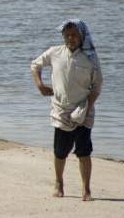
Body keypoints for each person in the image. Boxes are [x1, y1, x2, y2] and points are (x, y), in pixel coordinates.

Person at [31, 19, 103, 201]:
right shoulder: (55, 52)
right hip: (61, 110)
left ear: (82, 36)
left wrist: (87, 107)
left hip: (83, 111)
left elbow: (97, 86)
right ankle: (58, 183)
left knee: (84, 152)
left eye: (74, 35)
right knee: (60, 152)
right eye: (67, 35)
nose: (70, 38)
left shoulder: (90, 58)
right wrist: (40, 85)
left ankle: (86, 190)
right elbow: (35, 65)